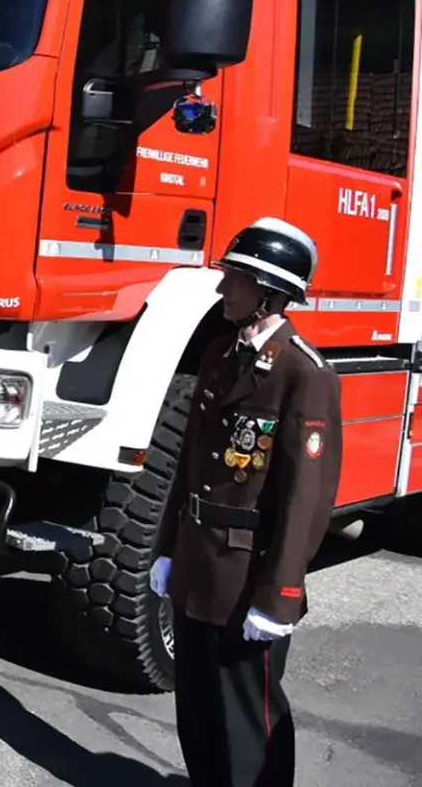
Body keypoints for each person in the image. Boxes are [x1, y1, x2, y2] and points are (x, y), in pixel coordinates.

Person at [151, 216, 343, 787]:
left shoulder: (303, 374)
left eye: (234, 278)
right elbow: (188, 464)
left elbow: (307, 500)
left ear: (270, 291)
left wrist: (280, 596)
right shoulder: (218, 353)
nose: (221, 288)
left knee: (246, 724)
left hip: (246, 579)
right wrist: (166, 549)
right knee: (199, 714)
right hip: (196, 564)